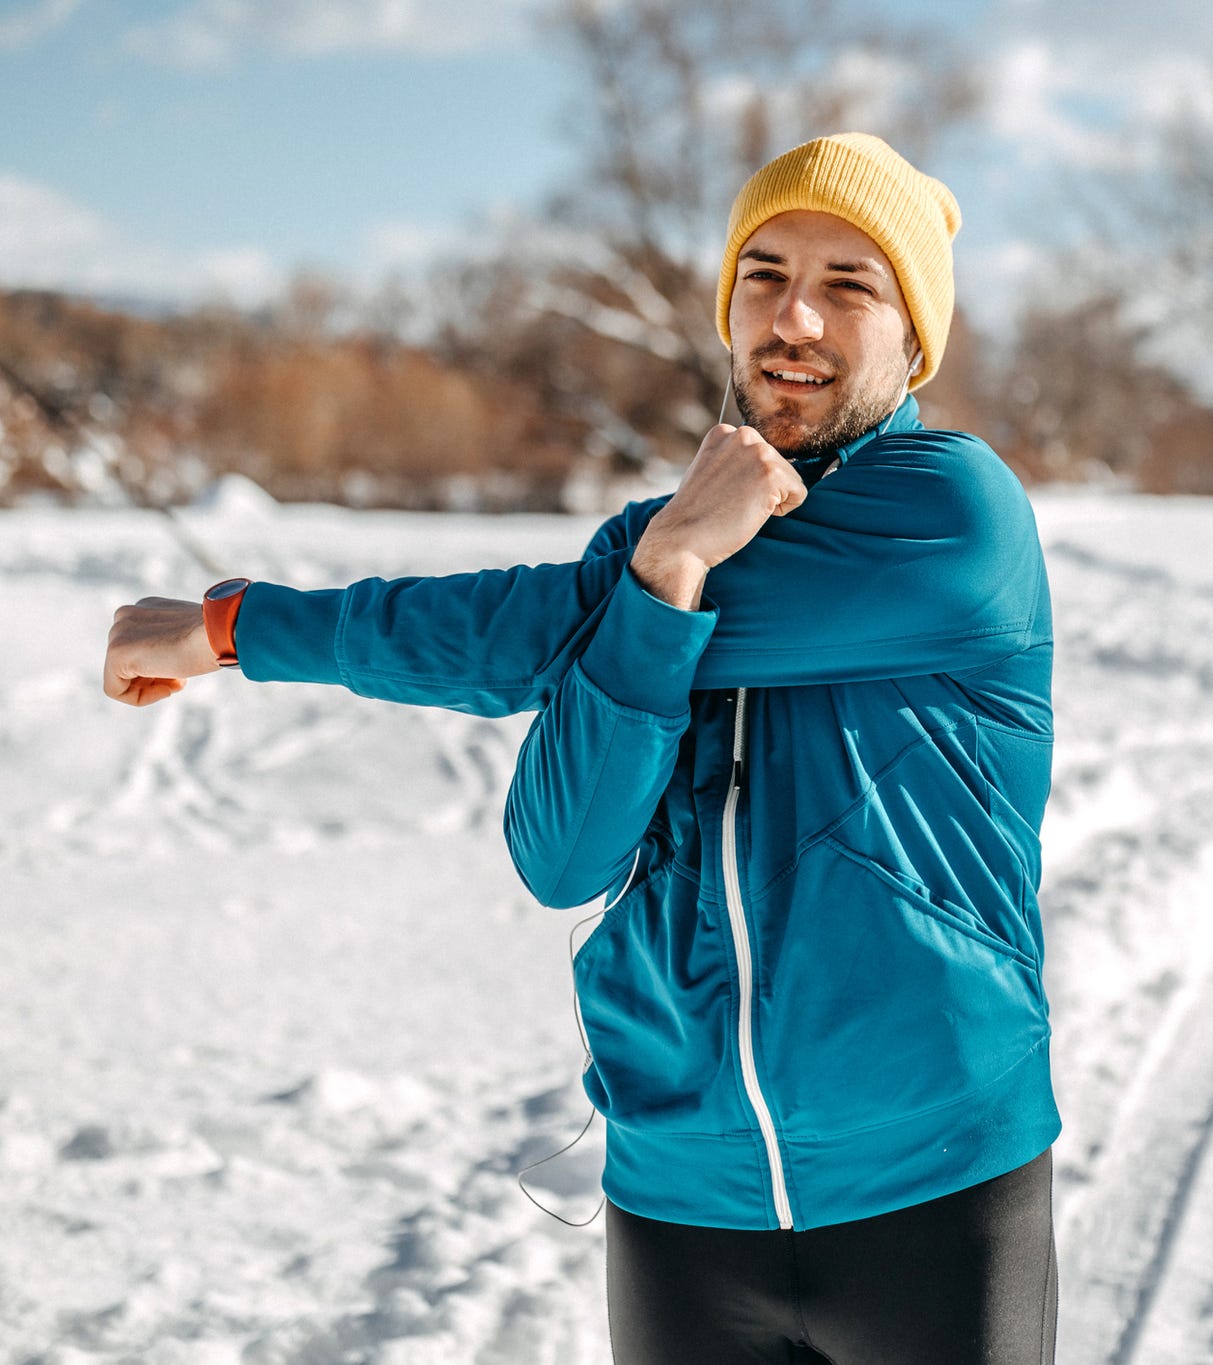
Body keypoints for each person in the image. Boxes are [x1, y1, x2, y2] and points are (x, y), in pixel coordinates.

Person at [102, 133, 1061, 1365]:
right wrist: (667, 569)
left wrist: (240, 630)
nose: (796, 318)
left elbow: (535, 622)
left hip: (931, 1181)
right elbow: (558, 856)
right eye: (762, 276)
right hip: (678, 1198)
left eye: (850, 284)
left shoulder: (949, 512)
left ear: (914, 335)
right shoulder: (664, 550)